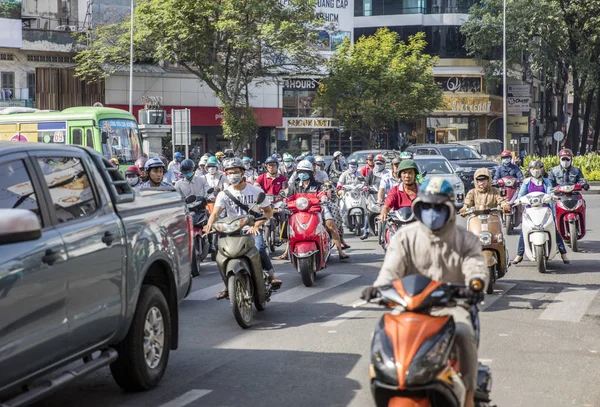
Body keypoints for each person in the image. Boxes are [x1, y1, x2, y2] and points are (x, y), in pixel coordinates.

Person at [361, 177, 488, 407]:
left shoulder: (465, 239)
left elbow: (475, 266)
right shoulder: (405, 236)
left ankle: (468, 395)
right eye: (426, 206)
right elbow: (390, 269)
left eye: (438, 207)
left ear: (450, 208)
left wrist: (476, 284)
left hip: (450, 306)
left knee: (462, 333)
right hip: (409, 305)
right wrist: (377, 288)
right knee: (381, 333)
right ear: (418, 207)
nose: (432, 212)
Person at [205, 157, 283, 299]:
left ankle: (271, 277)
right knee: (220, 257)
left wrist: (257, 225)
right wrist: (209, 225)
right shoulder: (224, 194)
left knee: (259, 248)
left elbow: (268, 212)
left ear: (242, 173)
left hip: (252, 228)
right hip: (232, 231)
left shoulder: (255, 191)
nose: (232, 175)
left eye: (235, 172)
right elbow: (215, 213)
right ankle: (227, 284)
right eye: (229, 173)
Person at [288, 160, 349, 260]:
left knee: (331, 225)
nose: (302, 174)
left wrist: (324, 197)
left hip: (317, 211)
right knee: (288, 226)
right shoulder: (294, 185)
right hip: (298, 212)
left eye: (305, 172)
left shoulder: (317, 185)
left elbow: (322, 194)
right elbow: (288, 197)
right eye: (300, 172)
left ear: (310, 173)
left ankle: (340, 251)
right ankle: (287, 251)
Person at [513, 160, 570, 264]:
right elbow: (521, 195)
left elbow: (550, 192)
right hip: (530, 209)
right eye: (533, 168)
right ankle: (519, 254)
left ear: (542, 169)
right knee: (525, 230)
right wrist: (518, 200)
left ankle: (563, 253)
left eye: (538, 168)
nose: (536, 171)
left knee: (553, 229)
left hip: (545, 208)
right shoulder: (526, 182)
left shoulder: (546, 181)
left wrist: (552, 197)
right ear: (529, 170)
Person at [361, 154, 389, 240]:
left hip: (386, 197)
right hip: (373, 197)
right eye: (377, 163)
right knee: (368, 211)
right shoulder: (371, 172)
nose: (378, 165)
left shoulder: (388, 173)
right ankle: (366, 231)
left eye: (381, 163)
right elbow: (366, 183)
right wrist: (365, 188)